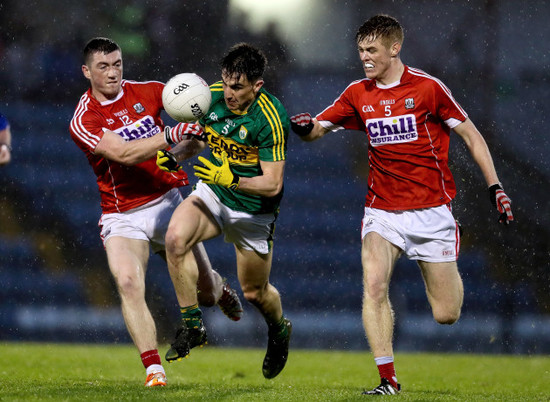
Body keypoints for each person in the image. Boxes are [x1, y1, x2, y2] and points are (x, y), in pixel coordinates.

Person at [290, 15, 513, 396]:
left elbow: (471, 136)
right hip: (382, 211)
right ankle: (387, 379)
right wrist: (304, 127)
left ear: (395, 49)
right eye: (361, 50)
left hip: (432, 213)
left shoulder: (428, 89)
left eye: (372, 50)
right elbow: (317, 131)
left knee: (446, 314)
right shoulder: (358, 93)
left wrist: (495, 186)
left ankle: (446, 265)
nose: (365, 57)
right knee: (374, 284)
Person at [69, 37, 243, 388]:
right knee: (129, 283)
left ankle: (218, 287)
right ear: (86, 71)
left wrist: (189, 140)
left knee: (205, 295)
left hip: (168, 203)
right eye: (103, 66)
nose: (113, 72)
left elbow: (197, 126)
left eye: (117, 63)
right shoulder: (83, 118)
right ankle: (154, 370)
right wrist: (169, 134)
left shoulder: (153, 92)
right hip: (122, 215)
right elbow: (123, 153)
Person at [157, 42, 292, 379]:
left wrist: (231, 179)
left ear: (257, 85)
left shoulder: (272, 118)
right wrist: (175, 155)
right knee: (174, 239)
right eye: (226, 82)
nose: (228, 93)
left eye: (237, 86)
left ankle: (279, 330)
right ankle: (192, 327)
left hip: (253, 211)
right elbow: (202, 139)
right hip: (214, 193)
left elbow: (273, 184)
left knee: (255, 293)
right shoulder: (209, 97)